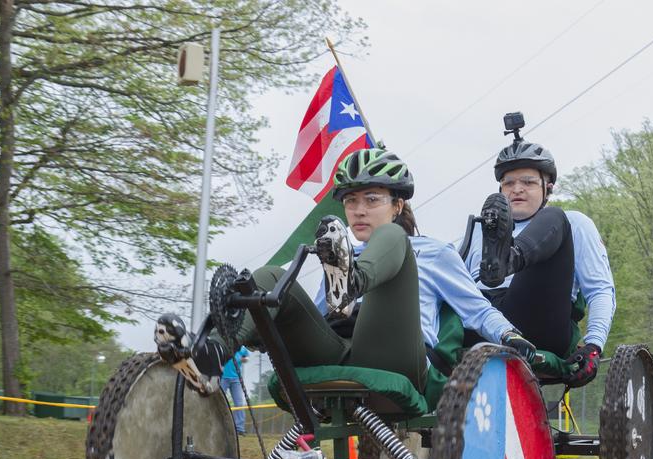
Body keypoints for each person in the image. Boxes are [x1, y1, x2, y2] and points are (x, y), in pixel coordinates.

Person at [155, 147, 535, 393]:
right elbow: (322, 316)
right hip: (339, 345)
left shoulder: (433, 252)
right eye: (351, 201)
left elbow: (477, 309)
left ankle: (356, 282)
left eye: (372, 199)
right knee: (271, 277)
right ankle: (213, 355)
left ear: (398, 205)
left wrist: (511, 335)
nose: (359, 210)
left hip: (402, 353)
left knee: (392, 241)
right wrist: (273, 324)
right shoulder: (336, 250)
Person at [459, 124, 616, 387]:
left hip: (537, 319)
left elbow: (600, 289)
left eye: (528, 182)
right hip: (480, 317)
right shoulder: (477, 229)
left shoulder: (574, 223)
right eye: (508, 183)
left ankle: (511, 257)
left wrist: (594, 345)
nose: (516, 189)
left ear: (548, 188)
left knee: (556, 218)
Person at [220, 346, 250, 434]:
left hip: (236, 378)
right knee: (220, 402)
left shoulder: (241, 347)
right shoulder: (223, 345)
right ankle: (221, 425)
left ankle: (239, 428)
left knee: (239, 403)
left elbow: (247, 357)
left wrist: (244, 359)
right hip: (222, 377)